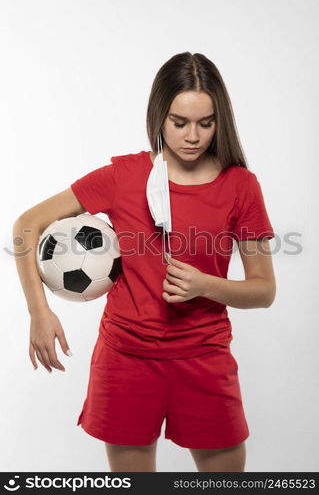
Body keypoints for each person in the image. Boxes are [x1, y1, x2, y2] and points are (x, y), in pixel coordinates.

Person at [13, 52, 276, 472]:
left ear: (219, 121)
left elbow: (264, 290)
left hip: (205, 360)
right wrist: (38, 312)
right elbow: (27, 225)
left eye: (206, 123)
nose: (193, 136)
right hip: (126, 360)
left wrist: (205, 285)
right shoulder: (123, 176)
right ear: (159, 116)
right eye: (179, 122)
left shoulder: (240, 186)